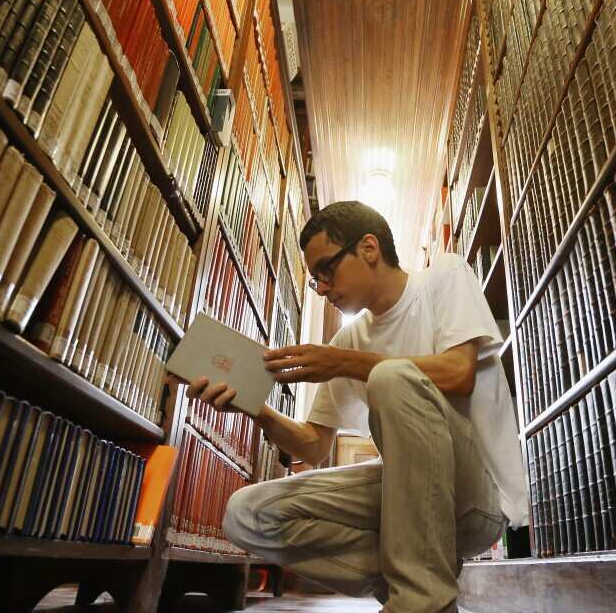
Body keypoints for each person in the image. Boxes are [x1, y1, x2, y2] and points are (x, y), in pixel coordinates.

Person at [184, 201, 528, 613]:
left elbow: (459, 373)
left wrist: (345, 364)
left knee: (391, 377)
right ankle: (423, 590)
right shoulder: (348, 342)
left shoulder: (444, 277)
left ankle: (419, 598)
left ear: (368, 248)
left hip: (475, 500)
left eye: (326, 270)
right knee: (248, 514)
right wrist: (255, 409)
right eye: (315, 280)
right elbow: (313, 446)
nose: (324, 287)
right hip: (406, 505)